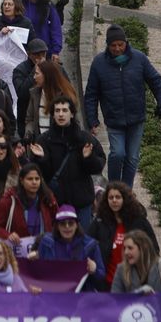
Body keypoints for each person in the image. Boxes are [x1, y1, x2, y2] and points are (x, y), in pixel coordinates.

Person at [83, 24, 161, 188]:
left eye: (120, 45)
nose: (117, 49)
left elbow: (156, 81)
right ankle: (114, 187)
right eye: (113, 45)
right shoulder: (99, 63)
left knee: (132, 157)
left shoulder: (139, 59)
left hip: (136, 119)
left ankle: (126, 190)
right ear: (108, 45)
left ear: (126, 43)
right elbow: (91, 94)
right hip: (114, 120)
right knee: (117, 153)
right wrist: (92, 120)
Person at [35, 95, 105, 229]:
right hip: (56, 202)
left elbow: (98, 166)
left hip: (81, 202)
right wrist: (42, 159)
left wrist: (88, 158)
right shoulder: (44, 140)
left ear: (72, 113)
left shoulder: (85, 138)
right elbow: (40, 173)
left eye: (64, 110)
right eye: (57, 111)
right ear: (53, 114)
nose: (61, 114)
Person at [89, 181, 159, 288]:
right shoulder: (100, 221)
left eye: (118, 197)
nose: (114, 200)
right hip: (106, 284)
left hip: (135, 283)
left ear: (125, 199)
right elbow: (86, 243)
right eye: (111, 197)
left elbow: (153, 249)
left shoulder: (139, 221)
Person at [30, 204, 105, 290]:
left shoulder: (90, 245)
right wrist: (33, 262)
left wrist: (94, 269)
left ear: (77, 225)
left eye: (71, 223)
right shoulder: (46, 242)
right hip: (53, 293)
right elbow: (40, 272)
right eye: (62, 224)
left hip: (81, 296)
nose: (67, 227)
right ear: (57, 226)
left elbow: (101, 275)